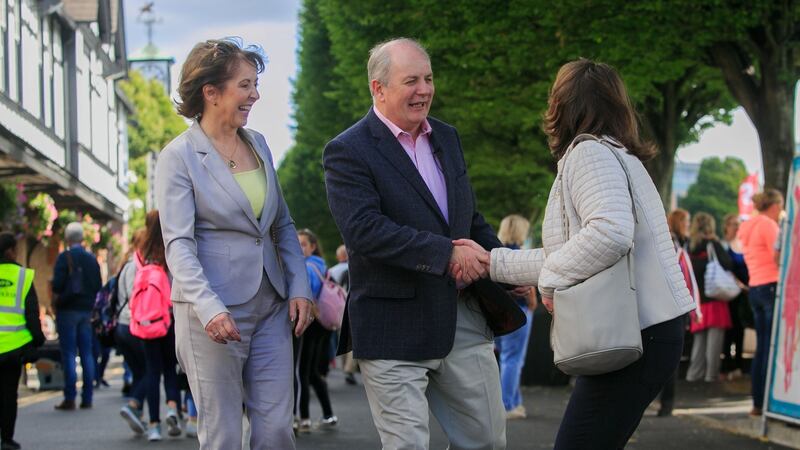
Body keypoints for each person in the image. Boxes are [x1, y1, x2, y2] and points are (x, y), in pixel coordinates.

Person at [480, 59, 694, 449]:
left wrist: (549, 280)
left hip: (635, 332)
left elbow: (610, 234)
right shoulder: (620, 155)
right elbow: (575, 250)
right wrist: (492, 263)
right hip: (650, 328)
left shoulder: (588, 154)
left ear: (561, 105)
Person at [323, 37, 507, 450]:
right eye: (411, 80)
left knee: (487, 442)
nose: (424, 89)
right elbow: (365, 230)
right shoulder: (347, 151)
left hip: (462, 317)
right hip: (392, 327)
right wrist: (446, 254)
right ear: (378, 88)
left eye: (428, 78)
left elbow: (469, 219)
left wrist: (505, 268)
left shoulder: (448, 137)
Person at [155, 37, 313, 450]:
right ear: (211, 92)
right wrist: (208, 308)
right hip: (214, 313)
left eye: (255, 84)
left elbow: (281, 225)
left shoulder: (258, 143)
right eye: (245, 85)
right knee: (223, 435)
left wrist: (299, 287)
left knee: (277, 429)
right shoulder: (178, 157)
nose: (255, 95)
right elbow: (179, 245)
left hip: (271, 306)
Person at [134, 210, 182, 441]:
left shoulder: (140, 254)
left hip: (146, 320)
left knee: (152, 371)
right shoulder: (171, 249)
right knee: (170, 367)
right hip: (169, 318)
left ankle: (154, 425)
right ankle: (172, 407)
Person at [738, 189, 784, 416]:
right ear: (775, 205)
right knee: (771, 347)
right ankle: (768, 402)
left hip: (755, 286)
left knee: (762, 347)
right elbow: (779, 256)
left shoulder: (748, 225)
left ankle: (757, 402)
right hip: (771, 285)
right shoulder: (768, 224)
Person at [0, 232, 45, 450]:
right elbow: (31, 312)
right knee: (9, 395)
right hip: (13, 347)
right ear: (11, 251)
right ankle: (6, 438)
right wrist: (37, 340)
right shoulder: (23, 277)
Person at [52, 222, 102, 410]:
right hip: (87, 311)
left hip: (67, 311)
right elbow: (98, 285)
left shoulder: (64, 258)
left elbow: (57, 285)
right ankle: (87, 397)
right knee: (87, 353)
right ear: (82, 239)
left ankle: (70, 397)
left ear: (67, 239)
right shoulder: (91, 259)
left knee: (70, 353)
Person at [293, 229, 337, 433]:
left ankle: (302, 418)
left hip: (308, 324)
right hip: (323, 325)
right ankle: (328, 413)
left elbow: (304, 295)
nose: (299, 247)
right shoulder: (321, 264)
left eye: (303, 244)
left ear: (312, 246)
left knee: (300, 370)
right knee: (311, 371)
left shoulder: (307, 267)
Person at [494, 214, 535, 420]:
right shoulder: (520, 256)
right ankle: (508, 405)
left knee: (505, 359)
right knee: (513, 360)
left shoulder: (497, 254)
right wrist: (532, 303)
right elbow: (529, 291)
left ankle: (515, 402)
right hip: (519, 314)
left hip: (499, 315)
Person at [686, 212, 734, 383]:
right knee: (714, 344)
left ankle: (693, 375)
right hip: (714, 299)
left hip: (697, 301)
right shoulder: (712, 244)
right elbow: (728, 264)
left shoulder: (689, 246)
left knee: (699, 343)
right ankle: (710, 376)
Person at [657, 208, 696, 417]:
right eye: (686, 221)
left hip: (666, 304)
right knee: (670, 356)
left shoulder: (674, 242)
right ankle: (666, 403)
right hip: (673, 305)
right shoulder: (673, 244)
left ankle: (665, 403)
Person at [116, 230, 149, 435]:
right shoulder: (136, 267)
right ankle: (134, 404)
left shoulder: (127, 265)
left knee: (139, 371)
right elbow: (135, 299)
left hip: (121, 327)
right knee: (150, 371)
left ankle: (138, 416)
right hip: (133, 326)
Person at [720, 213, 749, 380]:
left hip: (744, 295)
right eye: (733, 224)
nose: (736, 227)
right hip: (730, 293)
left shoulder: (744, 245)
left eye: (738, 224)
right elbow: (725, 270)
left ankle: (739, 364)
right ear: (726, 227)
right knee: (729, 330)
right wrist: (739, 284)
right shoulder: (724, 246)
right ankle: (727, 366)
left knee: (740, 329)